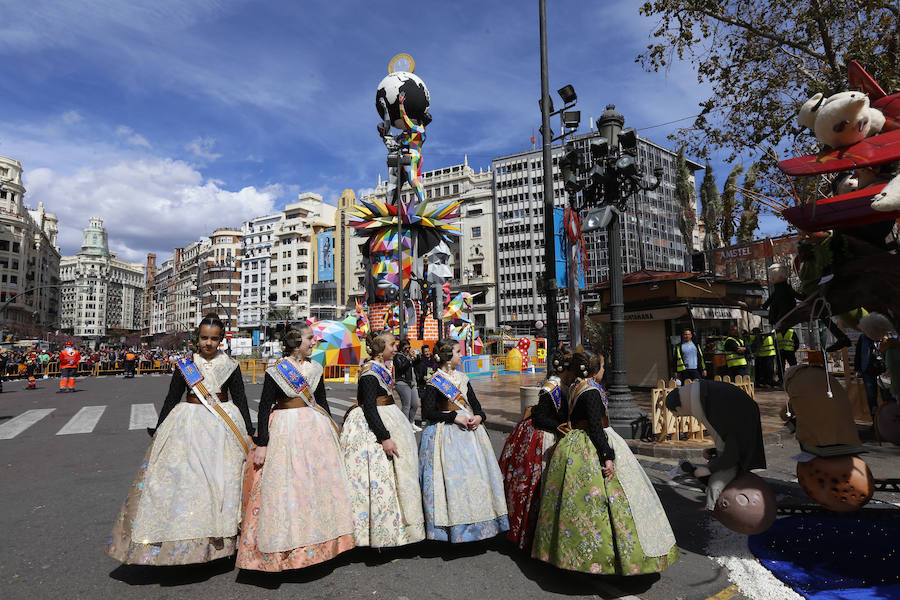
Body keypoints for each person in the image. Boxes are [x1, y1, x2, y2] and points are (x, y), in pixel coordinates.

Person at [105, 314, 254, 565]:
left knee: (222, 482)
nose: (208, 343)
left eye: (214, 338)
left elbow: (240, 398)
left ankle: (221, 542)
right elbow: (172, 397)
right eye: (204, 337)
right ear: (197, 338)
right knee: (186, 482)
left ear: (221, 340)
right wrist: (159, 427)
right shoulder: (185, 365)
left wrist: (250, 431)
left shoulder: (231, 365)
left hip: (223, 427)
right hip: (188, 423)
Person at [532, 351, 679, 575]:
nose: (604, 371)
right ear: (594, 371)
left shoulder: (576, 386)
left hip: (573, 443)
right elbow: (595, 428)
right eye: (602, 367)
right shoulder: (590, 391)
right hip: (591, 443)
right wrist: (607, 455)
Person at [237, 324, 355, 571]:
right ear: (294, 341)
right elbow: (264, 405)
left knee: (316, 486)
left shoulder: (316, 368)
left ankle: (322, 544)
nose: (314, 342)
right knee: (287, 487)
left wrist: (333, 430)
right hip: (284, 429)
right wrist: (263, 443)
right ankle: (287, 549)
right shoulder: (277, 370)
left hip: (315, 430)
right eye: (310, 338)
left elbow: (321, 401)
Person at [341, 332, 425, 548]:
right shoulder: (369, 373)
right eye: (391, 344)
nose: (395, 348)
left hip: (388, 415)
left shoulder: (384, 368)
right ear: (379, 348)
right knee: (378, 478)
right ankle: (376, 532)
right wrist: (385, 437)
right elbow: (369, 408)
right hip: (375, 426)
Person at [419, 340, 509, 543]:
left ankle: (482, 524)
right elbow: (428, 413)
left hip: (471, 435)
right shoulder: (435, 381)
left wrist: (479, 417)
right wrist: (453, 417)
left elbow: (476, 404)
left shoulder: (463, 378)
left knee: (476, 479)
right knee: (452, 481)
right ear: (448, 356)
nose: (462, 355)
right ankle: (453, 528)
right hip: (447, 436)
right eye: (459, 352)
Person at [498, 346, 568, 552]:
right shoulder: (551, 388)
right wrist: (558, 427)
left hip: (552, 433)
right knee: (538, 483)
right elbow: (541, 417)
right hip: (543, 437)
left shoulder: (562, 385)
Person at [665, 380, 766, 510]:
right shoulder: (706, 398)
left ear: (679, 408)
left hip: (733, 456)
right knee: (709, 472)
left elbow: (732, 451)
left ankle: (711, 508)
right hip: (733, 447)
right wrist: (714, 451)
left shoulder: (715, 406)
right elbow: (727, 440)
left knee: (715, 486)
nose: (680, 417)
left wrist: (709, 469)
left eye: (678, 414)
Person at [855, 332, 886, 419]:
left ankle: (889, 420)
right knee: (871, 397)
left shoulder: (884, 336)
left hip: (883, 371)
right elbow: (858, 353)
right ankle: (875, 420)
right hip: (868, 371)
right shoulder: (863, 337)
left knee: (886, 395)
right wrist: (857, 369)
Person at [393, 338, 421, 431]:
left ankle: (411, 423)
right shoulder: (398, 356)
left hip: (412, 382)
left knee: (415, 404)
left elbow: (416, 364)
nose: (408, 350)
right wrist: (408, 359)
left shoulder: (408, 357)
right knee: (406, 405)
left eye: (409, 347)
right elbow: (401, 368)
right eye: (406, 348)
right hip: (402, 383)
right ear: (401, 348)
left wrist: (418, 356)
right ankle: (404, 426)